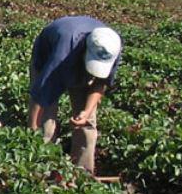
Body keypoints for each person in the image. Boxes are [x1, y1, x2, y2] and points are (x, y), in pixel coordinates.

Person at [28, 16, 123, 175]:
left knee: (87, 123)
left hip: (77, 54)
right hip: (49, 55)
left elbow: (100, 83)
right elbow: (40, 96)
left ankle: (83, 173)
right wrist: (32, 130)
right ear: (86, 50)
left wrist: (85, 112)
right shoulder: (62, 54)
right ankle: (40, 168)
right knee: (46, 123)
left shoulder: (112, 48)